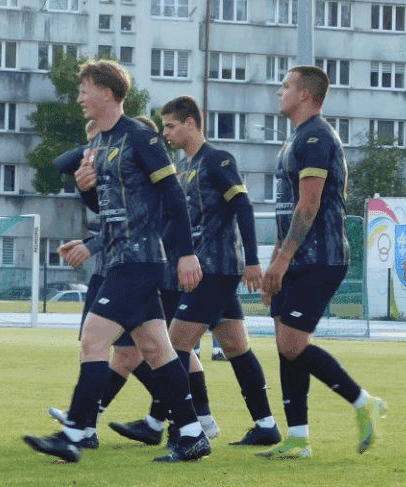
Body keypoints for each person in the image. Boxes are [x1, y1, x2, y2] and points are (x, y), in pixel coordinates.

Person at [23, 59, 210, 463]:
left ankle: (74, 433)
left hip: (139, 260)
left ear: (107, 93)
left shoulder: (140, 138)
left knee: (93, 339)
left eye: (85, 90)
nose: (80, 98)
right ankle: (193, 433)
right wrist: (85, 191)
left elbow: (174, 197)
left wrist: (185, 253)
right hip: (119, 258)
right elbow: (108, 208)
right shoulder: (100, 144)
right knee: (156, 350)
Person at [109, 95, 280, 449]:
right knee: (235, 346)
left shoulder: (217, 159)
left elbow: (243, 206)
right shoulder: (186, 167)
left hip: (217, 268)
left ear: (191, 123)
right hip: (206, 270)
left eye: (171, 126)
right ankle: (266, 425)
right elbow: (178, 223)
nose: (166, 133)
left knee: (173, 346)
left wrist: (252, 260)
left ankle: (169, 426)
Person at [257, 65, 385, 460]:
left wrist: (283, 259)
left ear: (305, 95)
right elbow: (286, 210)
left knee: (292, 343)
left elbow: (309, 204)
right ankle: (298, 439)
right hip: (294, 258)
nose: (279, 91)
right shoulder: (295, 139)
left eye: (286, 86)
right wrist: (275, 261)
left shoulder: (316, 137)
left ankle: (363, 401)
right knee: (286, 344)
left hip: (320, 257)